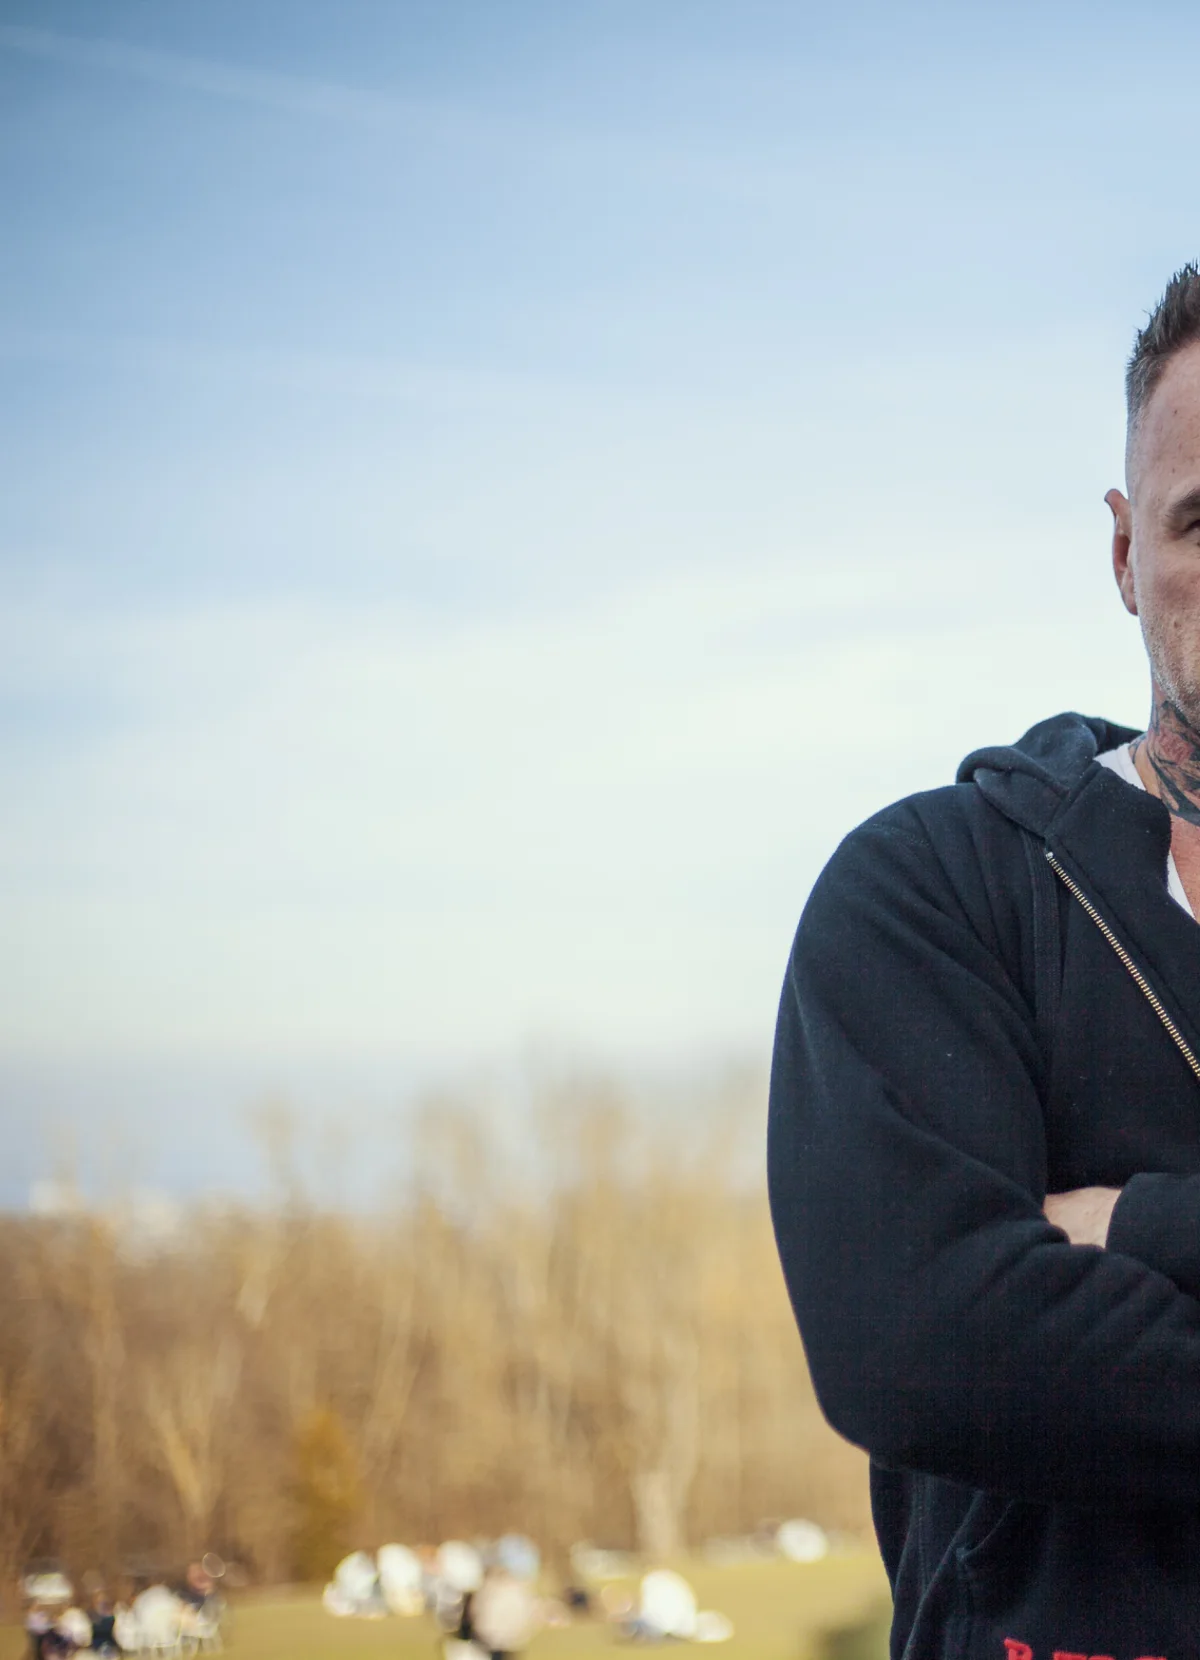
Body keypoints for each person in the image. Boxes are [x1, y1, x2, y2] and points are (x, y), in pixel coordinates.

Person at [768, 262, 1200, 1660]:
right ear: (1125, 554)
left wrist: (1141, 1230)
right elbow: (922, 1340)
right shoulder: (933, 890)